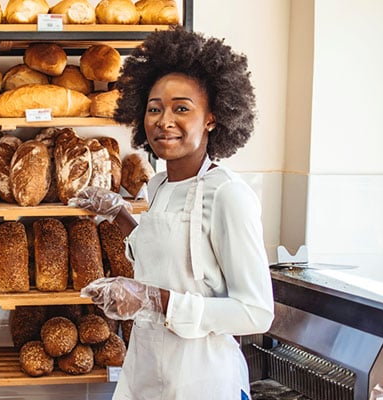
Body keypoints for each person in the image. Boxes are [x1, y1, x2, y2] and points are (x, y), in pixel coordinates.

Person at [72, 28, 275, 399]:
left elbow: (255, 312)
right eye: (154, 109)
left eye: (182, 108)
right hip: (147, 371)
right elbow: (167, 255)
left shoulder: (228, 195)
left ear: (212, 117)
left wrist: (153, 298)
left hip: (202, 380)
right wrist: (118, 212)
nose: (164, 121)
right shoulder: (160, 184)